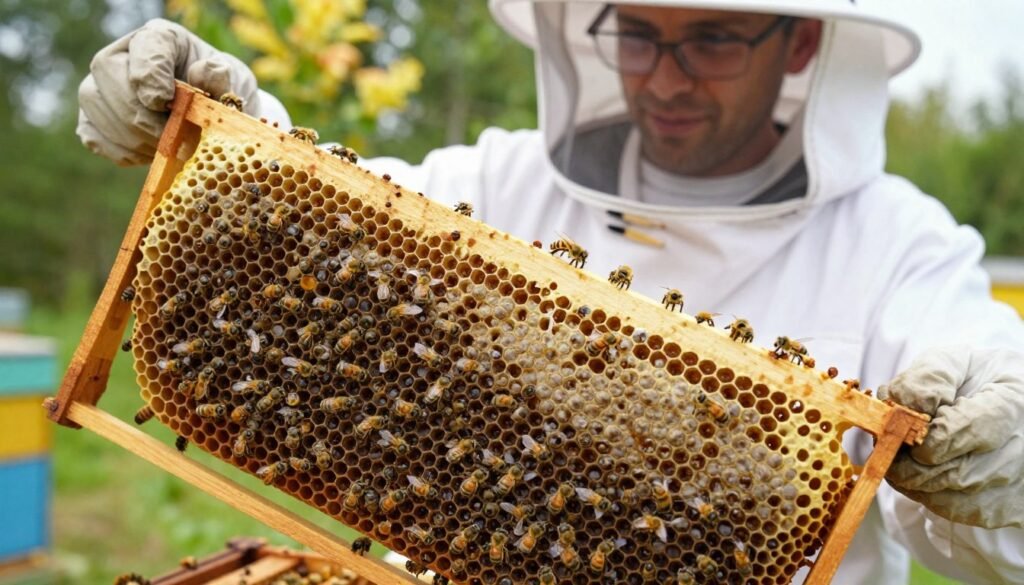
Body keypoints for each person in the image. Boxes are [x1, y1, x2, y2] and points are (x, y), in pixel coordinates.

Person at [77, 1, 1024, 583]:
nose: (665, 78)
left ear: (804, 44)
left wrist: (1007, 455)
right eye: (638, 35)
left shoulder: (902, 242)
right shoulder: (497, 181)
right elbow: (333, 242)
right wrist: (233, 135)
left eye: (716, 41)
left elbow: (971, 515)